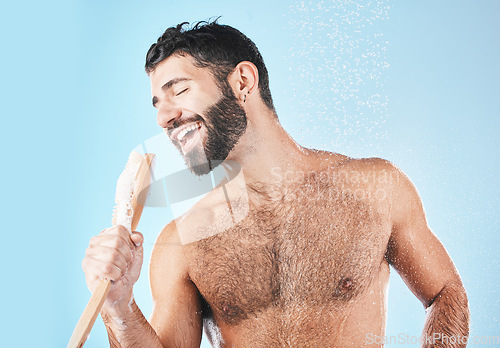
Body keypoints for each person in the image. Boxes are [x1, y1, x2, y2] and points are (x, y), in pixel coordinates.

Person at [82, 20, 470, 347]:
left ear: (243, 82)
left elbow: (444, 293)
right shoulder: (183, 243)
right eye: (156, 104)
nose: (163, 117)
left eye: (179, 91)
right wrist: (117, 303)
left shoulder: (374, 188)